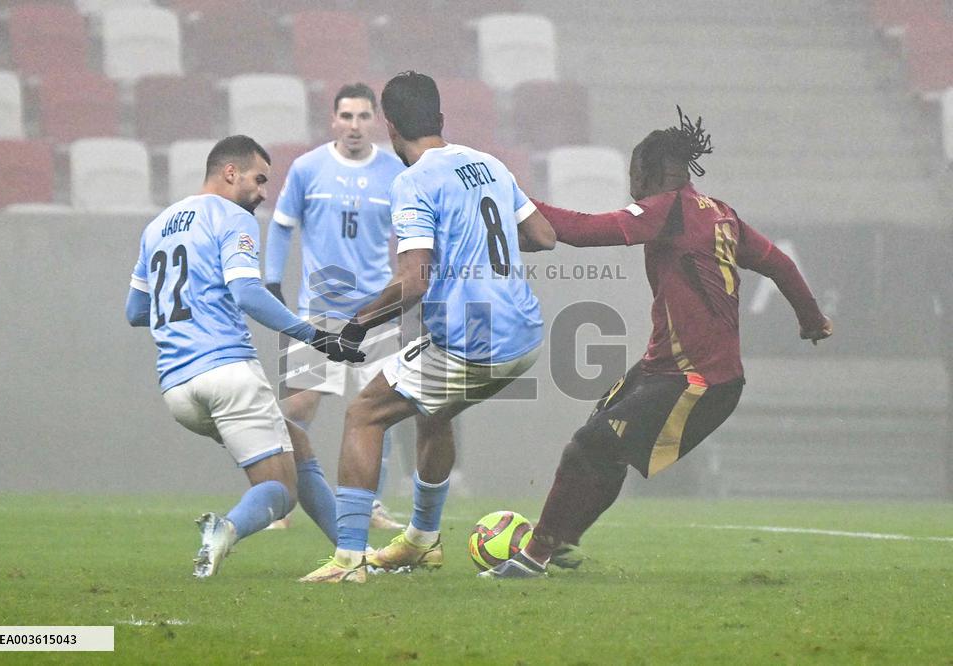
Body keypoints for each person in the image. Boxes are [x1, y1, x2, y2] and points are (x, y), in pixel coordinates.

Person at [481, 108, 834, 578]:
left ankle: (535, 556)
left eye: (634, 174)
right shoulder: (722, 214)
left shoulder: (668, 209)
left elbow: (586, 231)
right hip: (665, 369)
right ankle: (560, 539)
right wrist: (811, 319)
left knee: (588, 446)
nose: (631, 184)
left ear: (650, 172)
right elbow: (780, 264)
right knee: (598, 445)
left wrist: (512, 200)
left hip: (696, 379)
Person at [299, 71, 557, 583]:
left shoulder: (413, 181)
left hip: (472, 343)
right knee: (432, 414)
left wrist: (357, 323)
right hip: (524, 335)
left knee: (364, 413)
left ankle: (348, 560)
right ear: (440, 119)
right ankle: (421, 541)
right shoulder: (488, 164)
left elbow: (413, 281)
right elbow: (544, 236)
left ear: (390, 128)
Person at [125, 135, 351, 578]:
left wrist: (188, 308)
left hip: (177, 388)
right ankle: (224, 529)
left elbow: (136, 311)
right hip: (227, 372)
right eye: (259, 179)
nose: (264, 193)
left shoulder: (157, 227)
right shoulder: (231, 216)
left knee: (296, 442)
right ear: (230, 173)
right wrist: (313, 336)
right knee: (280, 491)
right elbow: (247, 292)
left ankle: (353, 551)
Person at [264, 83, 406, 530]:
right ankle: (281, 498)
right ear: (333, 120)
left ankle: (372, 504)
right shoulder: (308, 169)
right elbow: (283, 225)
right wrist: (271, 278)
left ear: (376, 122)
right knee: (299, 406)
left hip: (376, 313)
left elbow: (410, 238)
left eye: (364, 117)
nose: (355, 126)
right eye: (347, 116)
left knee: (382, 408)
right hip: (318, 310)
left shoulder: (395, 173)